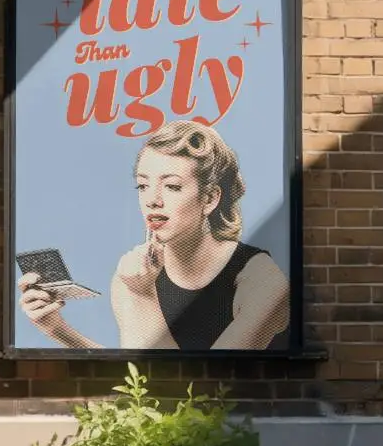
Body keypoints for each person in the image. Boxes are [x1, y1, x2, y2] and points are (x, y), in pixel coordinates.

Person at [19, 120, 290, 351]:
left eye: (172, 186)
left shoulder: (263, 280)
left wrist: (142, 295)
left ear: (209, 198)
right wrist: (57, 329)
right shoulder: (133, 276)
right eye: (143, 185)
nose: (152, 200)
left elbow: (198, 383)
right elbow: (136, 377)